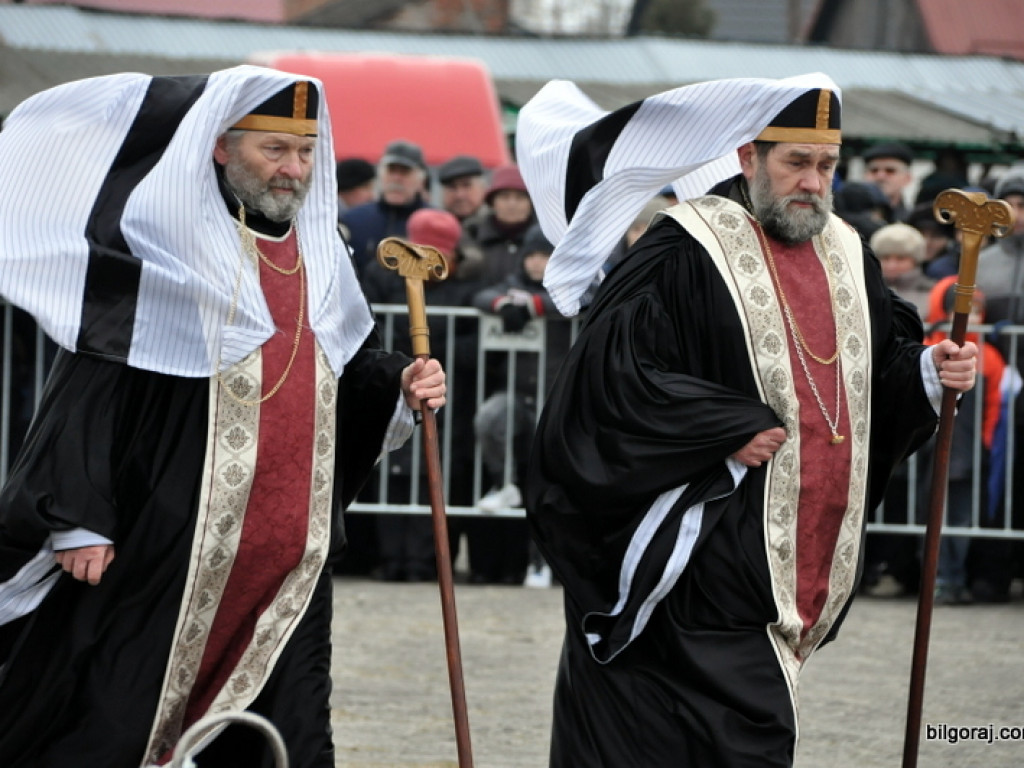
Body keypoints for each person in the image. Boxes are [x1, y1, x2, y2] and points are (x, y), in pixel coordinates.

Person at [516, 73, 978, 766]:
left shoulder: (847, 252)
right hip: (696, 555)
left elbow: (876, 367)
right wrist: (724, 424)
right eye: (796, 162)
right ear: (747, 157)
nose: (812, 183)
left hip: (788, 561)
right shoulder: (685, 247)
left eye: (826, 165)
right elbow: (610, 381)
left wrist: (927, 372)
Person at [0, 67, 446, 767]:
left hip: (288, 555)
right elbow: (91, 382)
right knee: (115, 724)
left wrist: (400, 384)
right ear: (220, 147)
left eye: (305, 152)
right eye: (274, 149)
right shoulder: (164, 244)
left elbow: (341, 363)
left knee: (293, 738)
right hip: (165, 543)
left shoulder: (322, 255)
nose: (293, 169)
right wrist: (78, 516)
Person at [361, 208, 480, 581]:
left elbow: (476, 342)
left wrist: (436, 352)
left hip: (448, 398)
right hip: (396, 391)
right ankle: (392, 558)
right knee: (394, 472)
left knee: (435, 472)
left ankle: (423, 560)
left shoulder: (465, 288)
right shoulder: (383, 279)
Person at [469, 224, 570, 586]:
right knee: (488, 418)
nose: (536, 263)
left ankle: (541, 562)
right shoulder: (512, 284)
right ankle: (504, 483)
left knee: (548, 484)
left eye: (544, 255)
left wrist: (534, 306)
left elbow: (584, 297)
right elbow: (481, 297)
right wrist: (504, 305)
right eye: (531, 256)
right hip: (517, 393)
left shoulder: (568, 284)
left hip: (556, 398)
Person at [918, 278, 1006, 605]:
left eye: (976, 310)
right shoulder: (927, 348)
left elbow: (995, 406)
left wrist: (986, 442)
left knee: (960, 519)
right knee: (927, 517)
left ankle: (953, 577)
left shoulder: (990, 357)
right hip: (927, 450)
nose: (970, 317)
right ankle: (933, 578)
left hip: (968, 453)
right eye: (960, 309)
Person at [970, 163, 1024, 603]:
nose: (1021, 214)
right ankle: (989, 574)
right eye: (1015, 204)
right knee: (992, 481)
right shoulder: (980, 263)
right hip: (991, 391)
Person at [340, 138, 431, 276]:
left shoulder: (435, 223)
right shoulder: (354, 221)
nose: (397, 178)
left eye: (405, 172)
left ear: (421, 180)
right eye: (391, 170)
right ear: (381, 175)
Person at [463, 164, 537, 284]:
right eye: (504, 197)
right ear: (492, 203)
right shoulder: (473, 235)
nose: (512, 204)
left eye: (520, 198)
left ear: (532, 203)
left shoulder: (546, 238)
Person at [862, 140, 915, 221]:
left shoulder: (913, 221)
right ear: (864, 176)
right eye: (874, 170)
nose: (880, 176)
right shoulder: (845, 220)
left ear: (907, 179)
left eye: (890, 171)